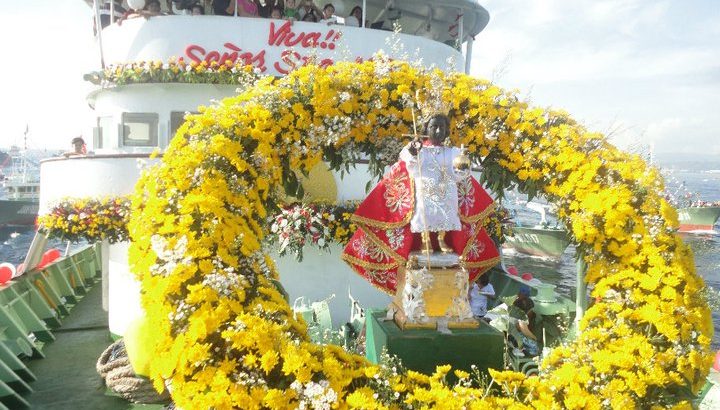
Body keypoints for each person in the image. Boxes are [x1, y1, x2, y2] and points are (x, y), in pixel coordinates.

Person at [341, 109, 501, 295]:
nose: (439, 131)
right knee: (424, 218)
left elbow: (460, 175)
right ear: (426, 129)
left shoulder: (453, 152)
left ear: (448, 131)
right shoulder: (418, 149)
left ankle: (441, 241)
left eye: (442, 127)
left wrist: (463, 164)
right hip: (424, 194)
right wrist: (413, 152)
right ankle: (425, 242)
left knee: (445, 218)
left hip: (446, 194)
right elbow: (410, 165)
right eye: (434, 127)